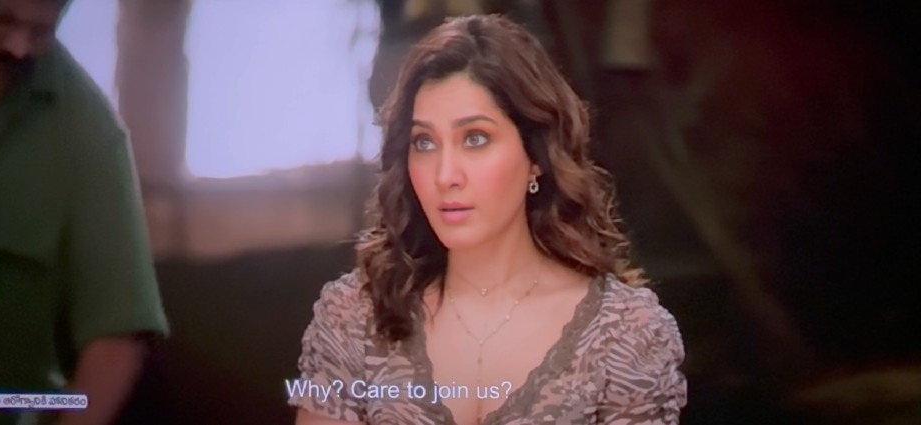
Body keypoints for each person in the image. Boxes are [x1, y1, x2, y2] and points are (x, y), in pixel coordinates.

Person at [289, 14, 686, 425]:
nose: (445, 175)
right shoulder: (354, 318)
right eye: (424, 142)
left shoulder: (625, 334)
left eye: (475, 138)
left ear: (536, 156)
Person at [0, 1, 169, 424]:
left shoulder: (86, 131)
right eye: (1, 19)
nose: (20, 47)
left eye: (43, 29)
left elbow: (116, 336)